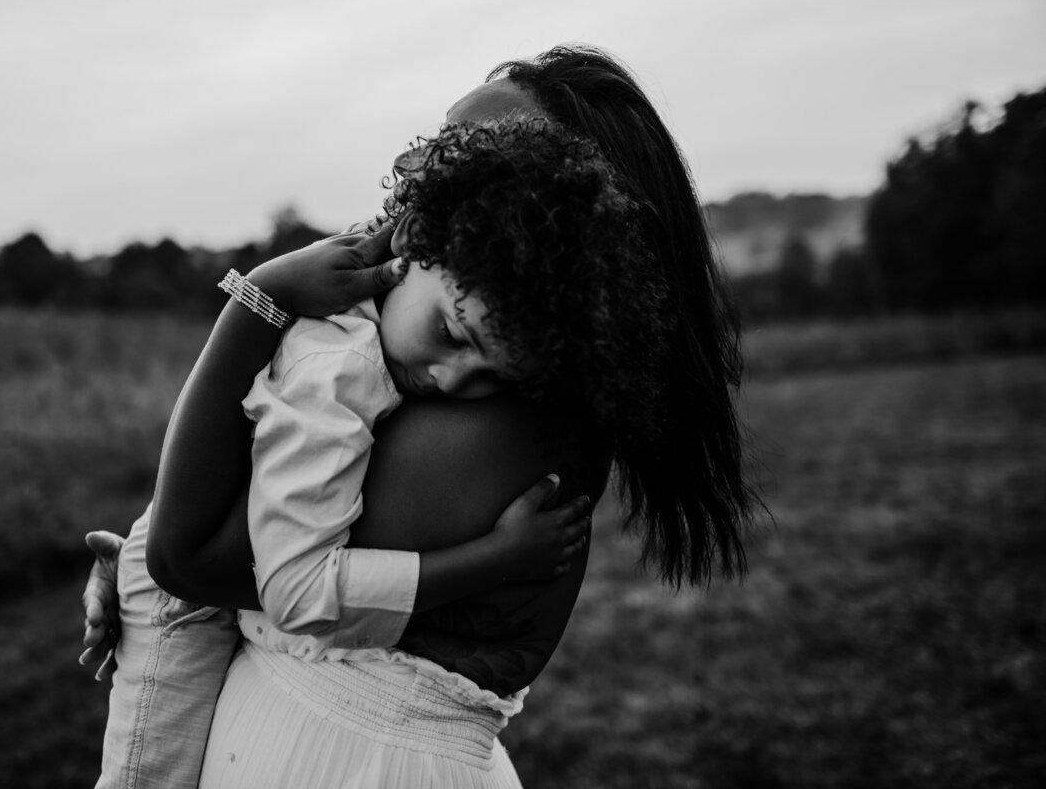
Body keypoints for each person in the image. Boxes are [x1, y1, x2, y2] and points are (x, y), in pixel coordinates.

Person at [81, 45, 755, 788]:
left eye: (469, 155)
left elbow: (193, 558)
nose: (416, 170)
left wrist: (257, 302)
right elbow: (247, 526)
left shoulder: (508, 412)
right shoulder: (426, 355)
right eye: (441, 141)